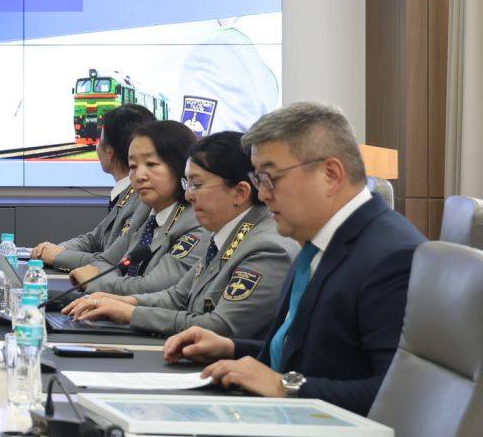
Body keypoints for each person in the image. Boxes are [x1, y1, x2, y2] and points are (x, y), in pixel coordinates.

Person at [163, 101, 424, 414]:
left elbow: (397, 396)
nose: (262, 194)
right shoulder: (318, 243)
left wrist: (283, 386)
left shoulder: (390, 257)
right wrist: (232, 348)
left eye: (270, 178)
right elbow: (311, 356)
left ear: (330, 174)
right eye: (258, 179)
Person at [64, 131, 296, 338]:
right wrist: (120, 302)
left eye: (197, 185)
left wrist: (131, 313)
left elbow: (221, 326)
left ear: (240, 192)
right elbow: (177, 297)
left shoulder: (267, 247)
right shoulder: (224, 233)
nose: (188, 195)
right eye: (188, 183)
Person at [62, 120, 201, 298]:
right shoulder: (145, 213)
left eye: (151, 164)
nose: (139, 175)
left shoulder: (196, 222)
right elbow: (106, 261)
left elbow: (151, 287)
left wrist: (96, 281)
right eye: (133, 166)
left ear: (181, 166)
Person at [31, 103, 155, 272]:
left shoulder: (143, 199)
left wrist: (59, 256)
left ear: (110, 153)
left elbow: (113, 261)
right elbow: (95, 239)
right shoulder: (127, 194)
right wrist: (56, 250)